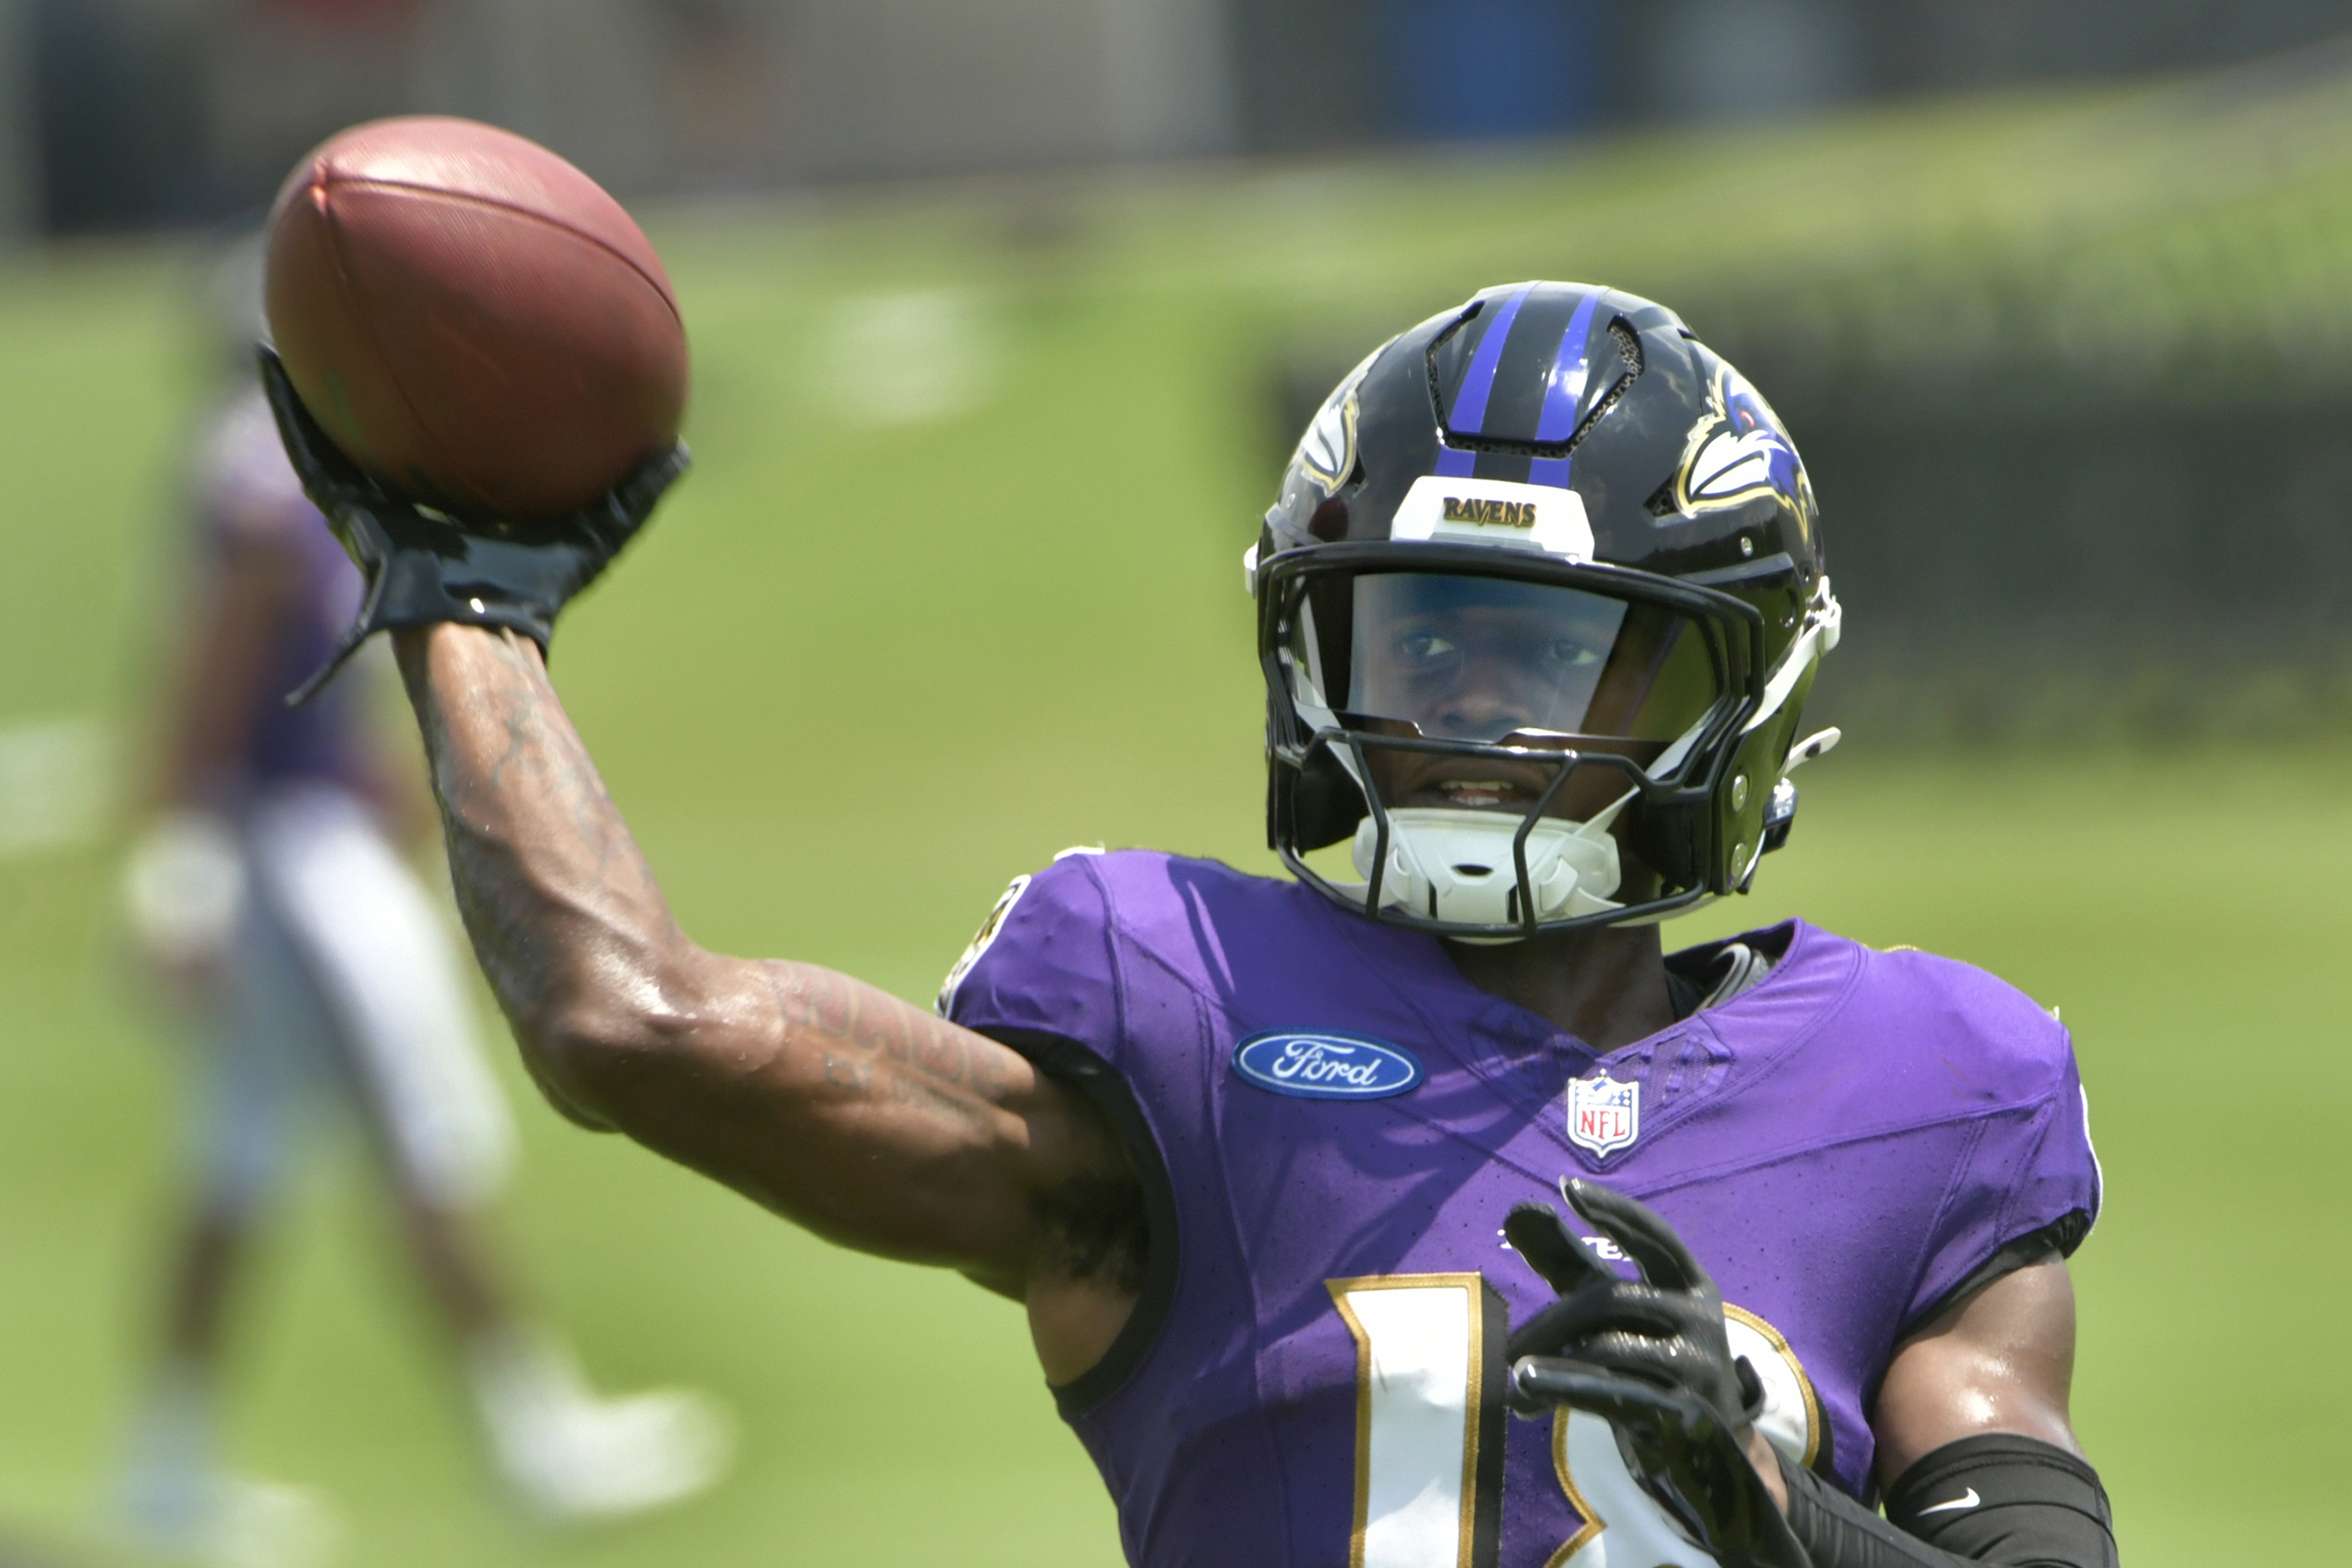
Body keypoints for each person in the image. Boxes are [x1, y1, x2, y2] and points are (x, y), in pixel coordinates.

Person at [257, 279, 2118, 1568]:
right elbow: (627, 1018)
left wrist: (1782, 1514)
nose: (1467, 719)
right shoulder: (1184, 1020)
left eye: (1551, 660)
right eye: (1420, 644)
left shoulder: (1934, 1087)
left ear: (1739, 692)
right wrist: (468, 613)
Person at [113, 262, 731, 1561]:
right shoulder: (257, 467)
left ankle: (163, 1463)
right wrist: (175, 839)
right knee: (425, 1126)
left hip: (288, 838)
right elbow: (216, 664)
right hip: (290, 861)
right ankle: (532, 1430)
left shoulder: (258, 466)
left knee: (242, 1158)